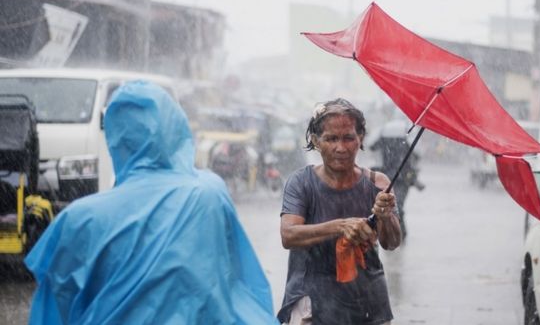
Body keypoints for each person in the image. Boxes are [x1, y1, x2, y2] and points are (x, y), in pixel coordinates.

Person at [25, 81, 277, 325]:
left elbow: (52, 312)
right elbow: (245, 285)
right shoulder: (208, 195)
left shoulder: (79, 220)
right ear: (176, 129)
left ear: (114, 139)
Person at [278, 98, 402, 325]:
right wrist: (340, 226)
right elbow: (289, 235)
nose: (340, 147)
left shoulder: (378, 183)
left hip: (367, 301)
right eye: (331, 139)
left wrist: (385, 218)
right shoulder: (301, 183)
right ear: (316, 141)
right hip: (312, 300)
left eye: (348, 138)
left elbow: (392, 243)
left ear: (360, 139)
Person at [370, 127, 425, 239]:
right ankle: (398, 233)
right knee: (394, 205)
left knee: (397, 205)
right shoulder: (390, 137)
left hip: (400, 178)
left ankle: (400, 233)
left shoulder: (404, 138)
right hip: (392, 178)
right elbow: (372, 147)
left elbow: (372, 147)